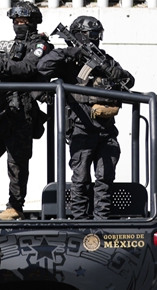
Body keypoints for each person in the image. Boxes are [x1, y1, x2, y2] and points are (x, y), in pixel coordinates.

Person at [37, 16, 135, 219]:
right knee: (80, 179)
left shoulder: (104, 59)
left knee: (105, 177)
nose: (96, 38)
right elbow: (42, 67)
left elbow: (129, 81)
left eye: (98, 34)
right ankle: (79, 219)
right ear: (80, 35)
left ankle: (102, 219)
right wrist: (68, 52)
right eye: (92, 34)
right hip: (80, 128)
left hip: (106, 130)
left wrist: (116, 73)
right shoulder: (68, 61)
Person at [0, 1, 52, 220]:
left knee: (16, 163)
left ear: (33, 22)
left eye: (23, 21)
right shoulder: (7, 46)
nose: (19, 24)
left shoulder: (40, 45)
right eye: (16, 21)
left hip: (21, 111)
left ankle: (15, 207)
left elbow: (27, 68)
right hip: (0, 109)